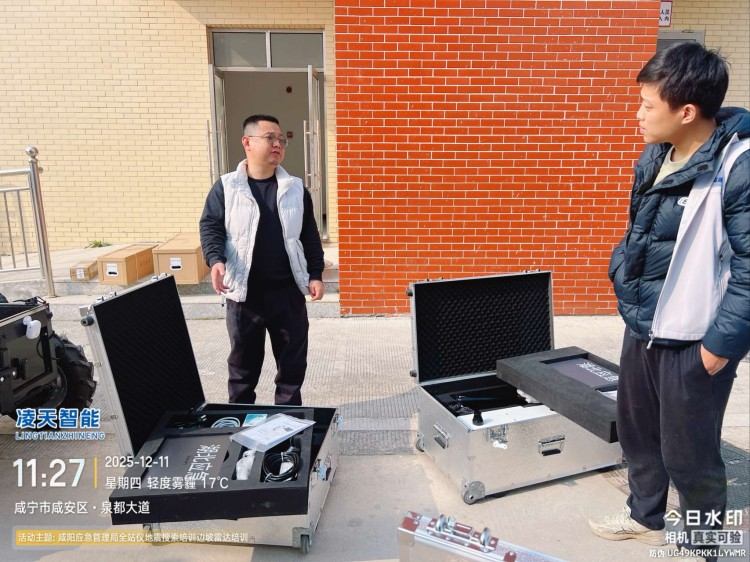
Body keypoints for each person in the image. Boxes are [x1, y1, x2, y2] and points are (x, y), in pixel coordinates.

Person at [588, 42, 749, 561]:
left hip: (696, 336)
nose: (637, 115)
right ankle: (645, 517)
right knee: (639, 435)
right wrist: (622, 272)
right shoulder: (656, 154)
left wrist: (720, 346)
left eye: (647, 105)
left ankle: (704, 545)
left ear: (686, 111)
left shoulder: (738, 166)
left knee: (691, 454)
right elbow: (641, 232)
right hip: (645, 325)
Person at [200, 114, 325, 406]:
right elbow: (211, 226)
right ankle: (240, 418)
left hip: (287, 293)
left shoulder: (295, 188)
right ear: (247, 142)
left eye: (281, 139)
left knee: (292, 365)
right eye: (270, 138)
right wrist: (215, 259)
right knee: (242, 368)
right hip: (244, 295)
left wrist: (315, 274)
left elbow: (309, 234)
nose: (278, 144)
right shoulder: (227, 187)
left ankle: (288, 419)